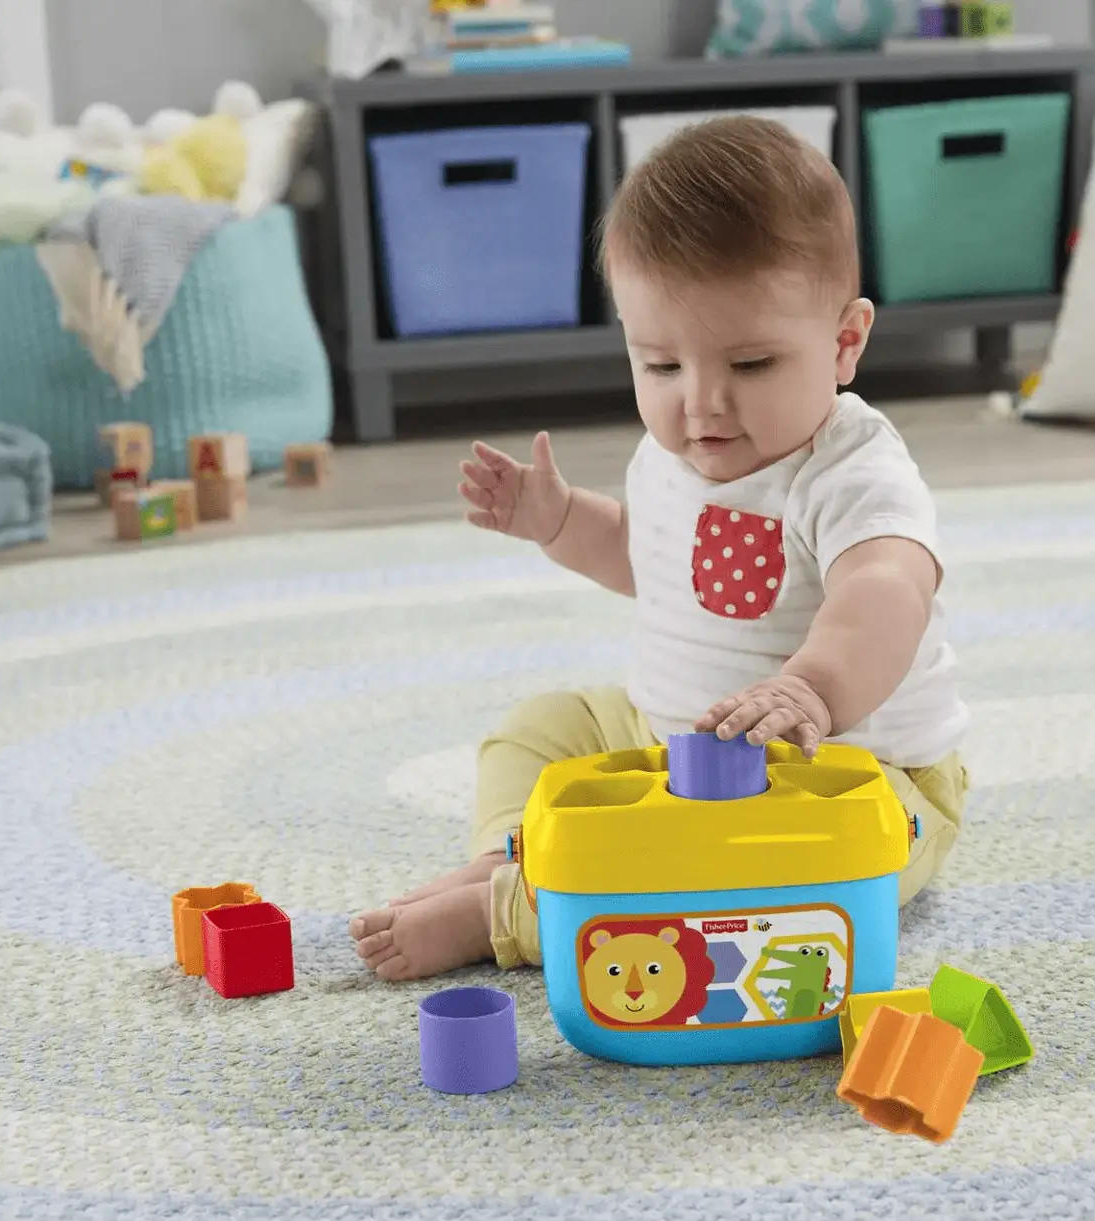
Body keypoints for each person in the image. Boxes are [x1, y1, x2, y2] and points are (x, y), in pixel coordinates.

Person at [349, 115, 971, 980]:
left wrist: (812, 688)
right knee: (539, 731)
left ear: (844, 342)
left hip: (850, 777)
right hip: (667, 737)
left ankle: (519, 917)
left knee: (746, 881)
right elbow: (650, 562)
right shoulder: (671, 455)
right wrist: (561, 521)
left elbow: (886, 592)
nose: (703, 404)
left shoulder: (851, 474)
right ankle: (512, 853)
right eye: (662, 367)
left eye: (750, 365)